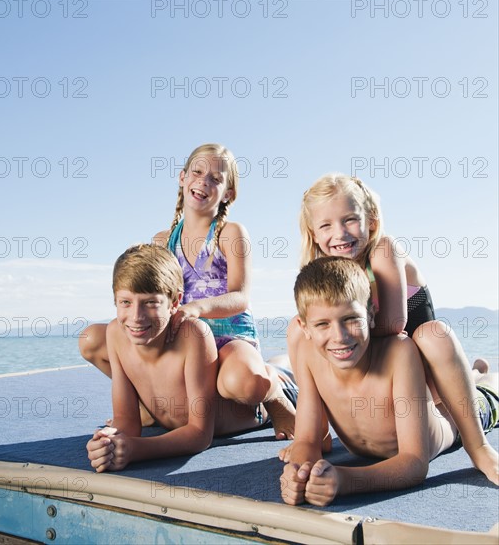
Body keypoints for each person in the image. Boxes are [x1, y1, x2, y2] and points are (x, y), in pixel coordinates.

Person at [283, 172, 497, 483]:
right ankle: (313, 428)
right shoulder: (323, 269)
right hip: (379, 361)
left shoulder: (382, 250)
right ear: (313, 233)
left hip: (418, 355)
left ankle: (479, 447)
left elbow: (395, 323)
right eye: (327, 225)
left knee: (433, 337)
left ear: (370, 220)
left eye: (349, 220)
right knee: (296, 330)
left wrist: (338, 344)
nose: (340, 234)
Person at [280, 257, 498, 506]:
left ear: (371, 315)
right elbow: (307, 440)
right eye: (322, 324)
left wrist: (345, 479)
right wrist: (299, 474)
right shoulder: (309, 355)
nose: (339, 337)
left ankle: (482, 376)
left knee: (488, 390)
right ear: (304, 327)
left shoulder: (399, 352)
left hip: (456, 421)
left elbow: (415, 464)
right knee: (469, 378)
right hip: (423, 406)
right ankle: (475, 370)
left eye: (351, 319)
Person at [87, 244, 277, 472]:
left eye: (151, 303)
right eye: (125, 302)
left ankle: (278, 382)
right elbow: (126, 420)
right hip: (173, 421)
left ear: (175, 303)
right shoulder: (115, 334)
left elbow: (199, 434)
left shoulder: (193, 334)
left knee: (257, 379)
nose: (136, 317)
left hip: (250, 412)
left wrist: (138, 449)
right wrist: (108, 440)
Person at [152, 143, 296, 440]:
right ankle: (275, 367)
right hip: (188, 344)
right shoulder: (162, 241)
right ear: (182, 177)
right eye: (197, 172)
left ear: (228, 193)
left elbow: (240, 296)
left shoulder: (231, 233)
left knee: (245, 384)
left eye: (216, 179)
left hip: (231, 338)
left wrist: (198, 308)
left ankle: (276, 390)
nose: (204, 181)